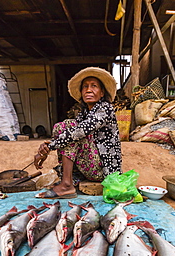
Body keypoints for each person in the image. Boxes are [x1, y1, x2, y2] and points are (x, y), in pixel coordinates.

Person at [34, 66, 122, 199]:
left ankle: (67, 184)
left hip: (104, 171)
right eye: (85, 86)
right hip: (89, 167)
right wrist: (46, 147)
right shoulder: (84, 113)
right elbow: (69, 133)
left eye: (94, 86)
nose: (88, 90)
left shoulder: (105, 108)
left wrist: (50, 146)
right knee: (63, 127)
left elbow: (79, 131)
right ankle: (68, 181)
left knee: (71, 128)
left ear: (102, 92)